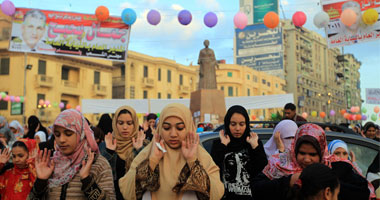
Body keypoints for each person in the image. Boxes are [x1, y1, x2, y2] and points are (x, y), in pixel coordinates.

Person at [119, 103, 225, 200]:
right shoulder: (148, 153)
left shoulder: (200, 155)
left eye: (180, 128)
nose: (173, 134)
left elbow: (216, 193)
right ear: (160, 128)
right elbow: (128, 192)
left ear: (188, 127)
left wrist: (192, 162)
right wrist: (152, 161)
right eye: (166, 128)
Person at [252, 123, 374, 200]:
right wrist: (288, 181)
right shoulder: (280, 163)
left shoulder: (336, 166)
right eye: (302, 153)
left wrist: (325, 183)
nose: (306, 159)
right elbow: (257, 189)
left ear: (321, 152)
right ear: (295, 150)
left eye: (312, 154)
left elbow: (362, 192)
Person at [28, 109, 116, 199]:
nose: (61, 140)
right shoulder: (51, 164)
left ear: (81, 134)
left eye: (68, 134)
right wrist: (40, 182)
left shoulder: (97, 164)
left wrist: (87, 180)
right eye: (57, 135)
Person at [211, 105, 267, 199]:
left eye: (241, 124)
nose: (237, 128)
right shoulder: (219, 144)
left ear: (246, 124)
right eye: (233, 124)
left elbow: (263, 171)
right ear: (227, 124)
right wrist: (223, 146)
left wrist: (255, 147)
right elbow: (213, 170)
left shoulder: (253, 143)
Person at [100, 106, 147, 200]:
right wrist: (109, 152)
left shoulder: (144, 144)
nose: (125, 127)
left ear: (135, 124)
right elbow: (102, 176)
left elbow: (147, 177)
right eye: (120, 123)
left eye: (129, 123)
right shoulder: (106, 145)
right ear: (115, 124)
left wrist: (139, 150)